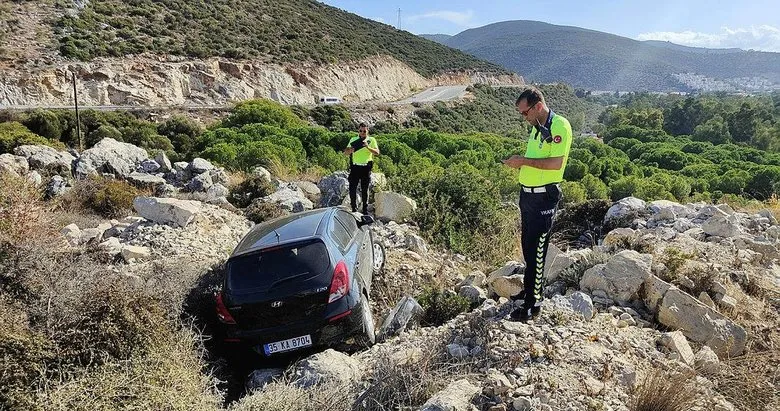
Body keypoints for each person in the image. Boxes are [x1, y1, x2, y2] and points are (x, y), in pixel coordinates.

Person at [502, 87, 573, 322]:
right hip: (528, 196)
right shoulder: (537, 127)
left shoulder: (559, 126)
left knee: (537, 250)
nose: (524, 117)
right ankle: (530, 290)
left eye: (525, 112)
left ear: (538, 106)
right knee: (527, 246)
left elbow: (555, 163)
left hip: (544, 198)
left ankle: (533, 305)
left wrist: (522, 161)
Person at [344, 123, 380, 214]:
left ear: (368, 131)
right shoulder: (353, 139)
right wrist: (351, 150)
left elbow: (377, 152)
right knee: (352, 188)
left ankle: (365, 209)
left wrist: (368, 147)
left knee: (365, 189)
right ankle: (353, 208)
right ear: (358, 131)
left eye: (364, 131)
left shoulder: (371, 140)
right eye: (360, 131)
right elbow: (345, 152)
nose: (362, 132)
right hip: (355, 167)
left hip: (366, 167)